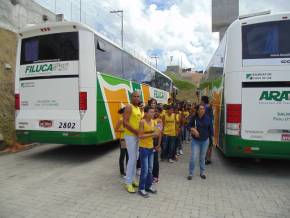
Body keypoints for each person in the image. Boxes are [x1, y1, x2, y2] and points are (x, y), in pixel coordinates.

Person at [187, 104, 213, 180]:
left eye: (203, 109)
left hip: (205, 141)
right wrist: (193, 130)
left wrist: (211, 143)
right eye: (201, 109)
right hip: (195, 141)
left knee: (202, 157)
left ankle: (202, 172)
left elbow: (211, 131)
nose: (202, 110)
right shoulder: (194, 118)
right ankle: (191, 173)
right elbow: (188, 126)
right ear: (197, 110)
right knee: (193, 157)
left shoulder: (208, 118)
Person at [138, 105, 159, 197]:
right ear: (146, 113)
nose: (153, 113)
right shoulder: (142, 122)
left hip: (151, 148)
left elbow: (156, 134)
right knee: (145, 170)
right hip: (143, 148)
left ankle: (148, 186)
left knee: (150, 169)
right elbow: (140, 136)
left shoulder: (153, 122)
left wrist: (155, 134)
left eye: (153, 112)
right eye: (151, 112)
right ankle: (141, 188)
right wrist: (152, 134)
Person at [123, 91, 142, 193]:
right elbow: (125, 122)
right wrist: (136, 132)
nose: (136, 98)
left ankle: (133, 179)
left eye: (138, 96)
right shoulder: (129, 107)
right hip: (130, 136)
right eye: (134, 96)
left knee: (136, 158)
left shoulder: (138, 108)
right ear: (131, 97)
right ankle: (128, 182)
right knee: (132, 158)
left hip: (137, 136)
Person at [115, 107, 128, 178]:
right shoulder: (121, 120)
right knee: (123, 155)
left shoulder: (129, 119)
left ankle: (128, 171)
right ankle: (122, 172)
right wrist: (124, 130)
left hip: (129, 139)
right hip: (123, 140)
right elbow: (116, 129)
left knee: (129, 156)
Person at [201, 96, 214, 165]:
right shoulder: (207, 107)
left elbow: (210, 104)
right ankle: (208, 158)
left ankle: (206, 158)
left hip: (206, 128)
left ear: (203, 101)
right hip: (209, 128)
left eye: (201, 101)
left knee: (207, 144)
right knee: (210, 144)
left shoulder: (205, 107)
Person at [152, 106, 163, 183]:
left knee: (155, 160)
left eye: (156, 111)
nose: (155, 113)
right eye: (153, 111)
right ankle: (150, 176)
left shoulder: (159, 121)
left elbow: (160, 134)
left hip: (155, 142)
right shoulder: (148, 120)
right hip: (148, 142)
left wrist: (159, 144)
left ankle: (156, 176)